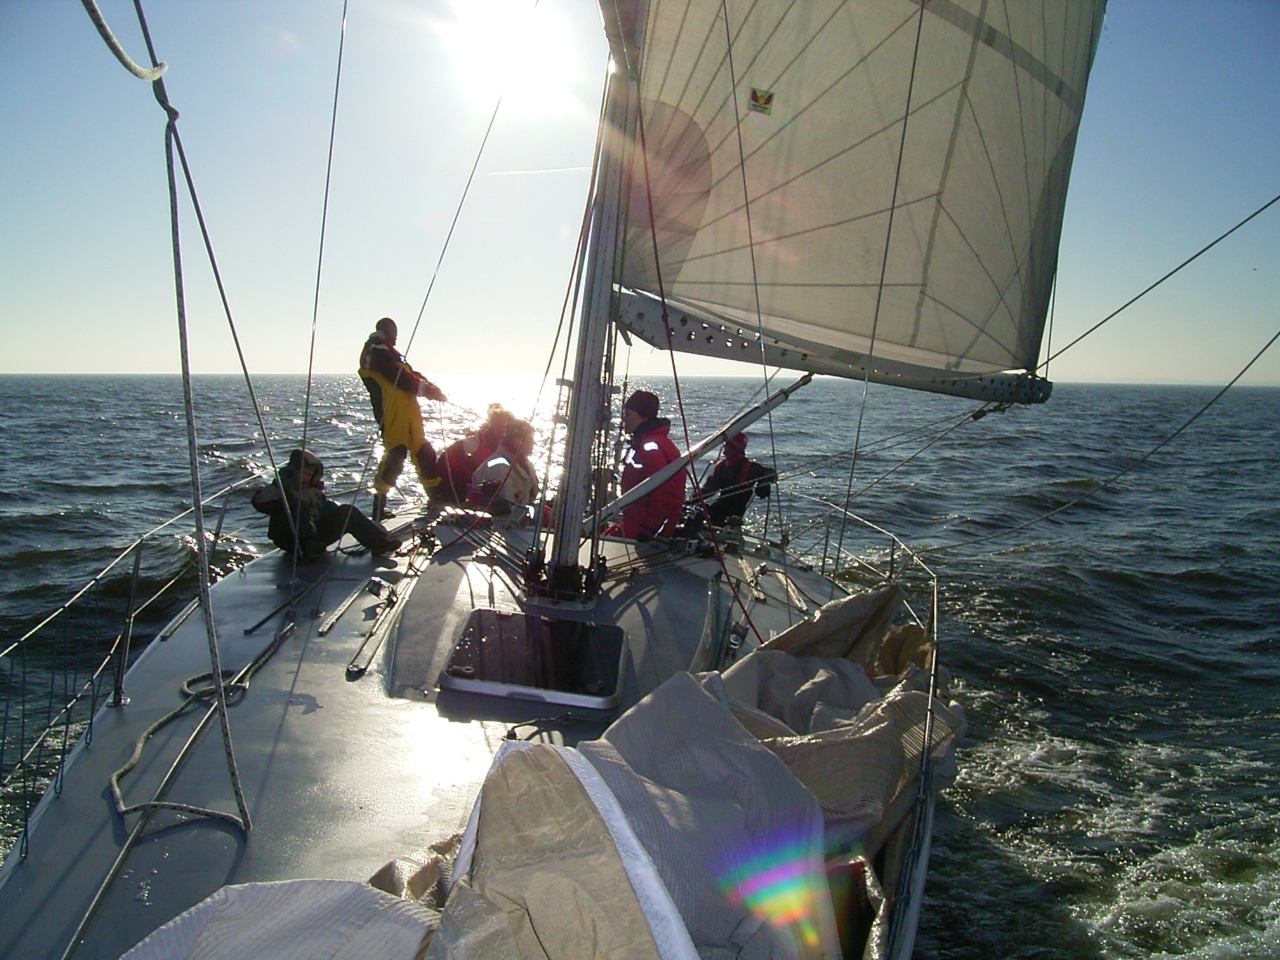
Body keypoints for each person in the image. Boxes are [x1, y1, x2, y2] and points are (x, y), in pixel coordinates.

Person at [358, 317, 447, 518]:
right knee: (395, 455)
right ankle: (379, 508)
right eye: (394, 331)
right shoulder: (377, 350)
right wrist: (425, 389)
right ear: (387, 331)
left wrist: (431, 387)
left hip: (409, 411)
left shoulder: (392, 353)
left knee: (424, 452)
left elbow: (409, 373)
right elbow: (396, 376)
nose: (396, 336)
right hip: (391, 412)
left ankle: (435, 499)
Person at [251, 449, 402, 560]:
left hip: (315, 538)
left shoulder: (314, 493)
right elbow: (259, 502)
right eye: (304, 472)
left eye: (310, 475)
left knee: (347, 511)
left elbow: (325, 509)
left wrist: (332, 511)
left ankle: (379, 543)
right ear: (294, 471)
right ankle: (309, 544)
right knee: (297, 505)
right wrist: (282, 486)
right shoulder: (280, 489)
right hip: (290, 539)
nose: (306, 477)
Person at [609, 389, 685, 540]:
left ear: (644, 418)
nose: (624, 420)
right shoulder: (648, 443)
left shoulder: (650, 447)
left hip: (642, 525)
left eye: (628, 415)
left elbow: (662, 492)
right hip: (634, 519)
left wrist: (649, 529)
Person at [436, 404, 515, 505]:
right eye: (498, 426)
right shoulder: (477, 445)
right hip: (454, 483)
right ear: (490, 425)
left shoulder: (499, 445)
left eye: (504, 427)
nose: (501, 431)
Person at [694, 432, 777, 527]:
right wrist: (694, 499)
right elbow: (710, 488)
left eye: (726, 447)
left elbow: (771, 473)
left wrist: (764, 482)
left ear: (734, 447)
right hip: (719, 507)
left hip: (733, 513)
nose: (724, 451)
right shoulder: (721, 466)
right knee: (695, 513)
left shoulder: (749, 467)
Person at [468, 418, 540, 516]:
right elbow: (508, 507)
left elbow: (532, 496)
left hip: (519, 520)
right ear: (517, 441)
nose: (533, 443)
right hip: (501, 525)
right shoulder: (498, 467)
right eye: (530, 439)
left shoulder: (526, 464)